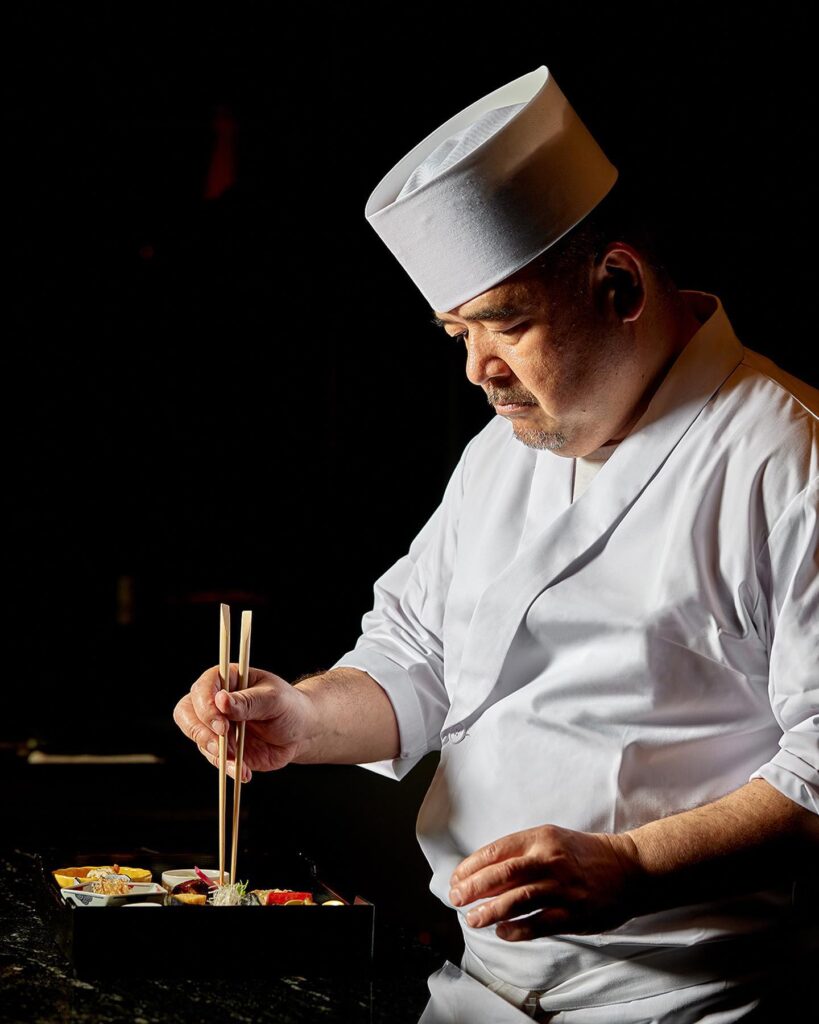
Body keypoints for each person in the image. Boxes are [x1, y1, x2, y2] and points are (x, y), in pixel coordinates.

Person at [174, 66, 818, 1022]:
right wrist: (301, 717)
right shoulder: (501, 453)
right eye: (456, 332)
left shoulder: (784, 453)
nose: (479, 369)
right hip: (475, 987)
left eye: (506, 324)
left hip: (681, 1001)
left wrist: (630, 865)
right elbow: (415, 659)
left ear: (618, 282)